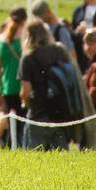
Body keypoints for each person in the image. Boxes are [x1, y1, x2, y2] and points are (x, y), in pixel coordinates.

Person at [19, 18, 73, 150]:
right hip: (60, 111)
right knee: (61, 160)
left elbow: (25, 90)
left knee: (34, 160)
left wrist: (25, 102)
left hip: (38, 113)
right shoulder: (59, 51)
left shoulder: (28, 58)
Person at [0, 7, 27, 147]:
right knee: (24, 124)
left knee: (12, 125)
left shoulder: (0, 40)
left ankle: (10, 147)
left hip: (7, 86)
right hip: (24, 86)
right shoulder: (25, 38)